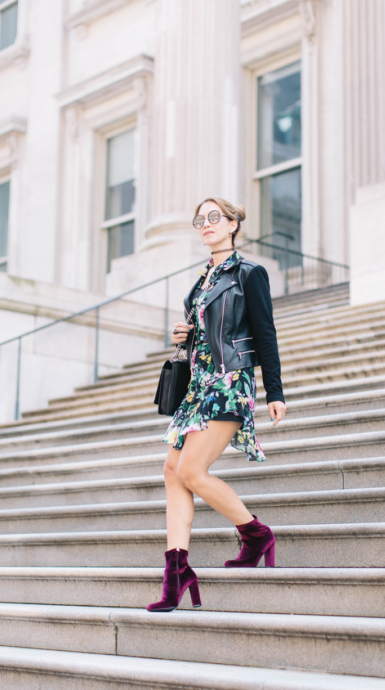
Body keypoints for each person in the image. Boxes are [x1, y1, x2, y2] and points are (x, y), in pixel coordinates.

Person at [147, 197, 286, 612]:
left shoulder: (249, 273)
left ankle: (256, 534)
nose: (206, 224)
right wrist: (186, 335)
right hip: (199, 384)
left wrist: (275, 391)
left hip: (229, 381)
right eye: (200, 220)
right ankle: (177, 572)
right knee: (172, 470)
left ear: (232, 224)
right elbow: (206, 332)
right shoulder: (201, 280)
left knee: (191, 469)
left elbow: (265, 333)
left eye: (214, 217)